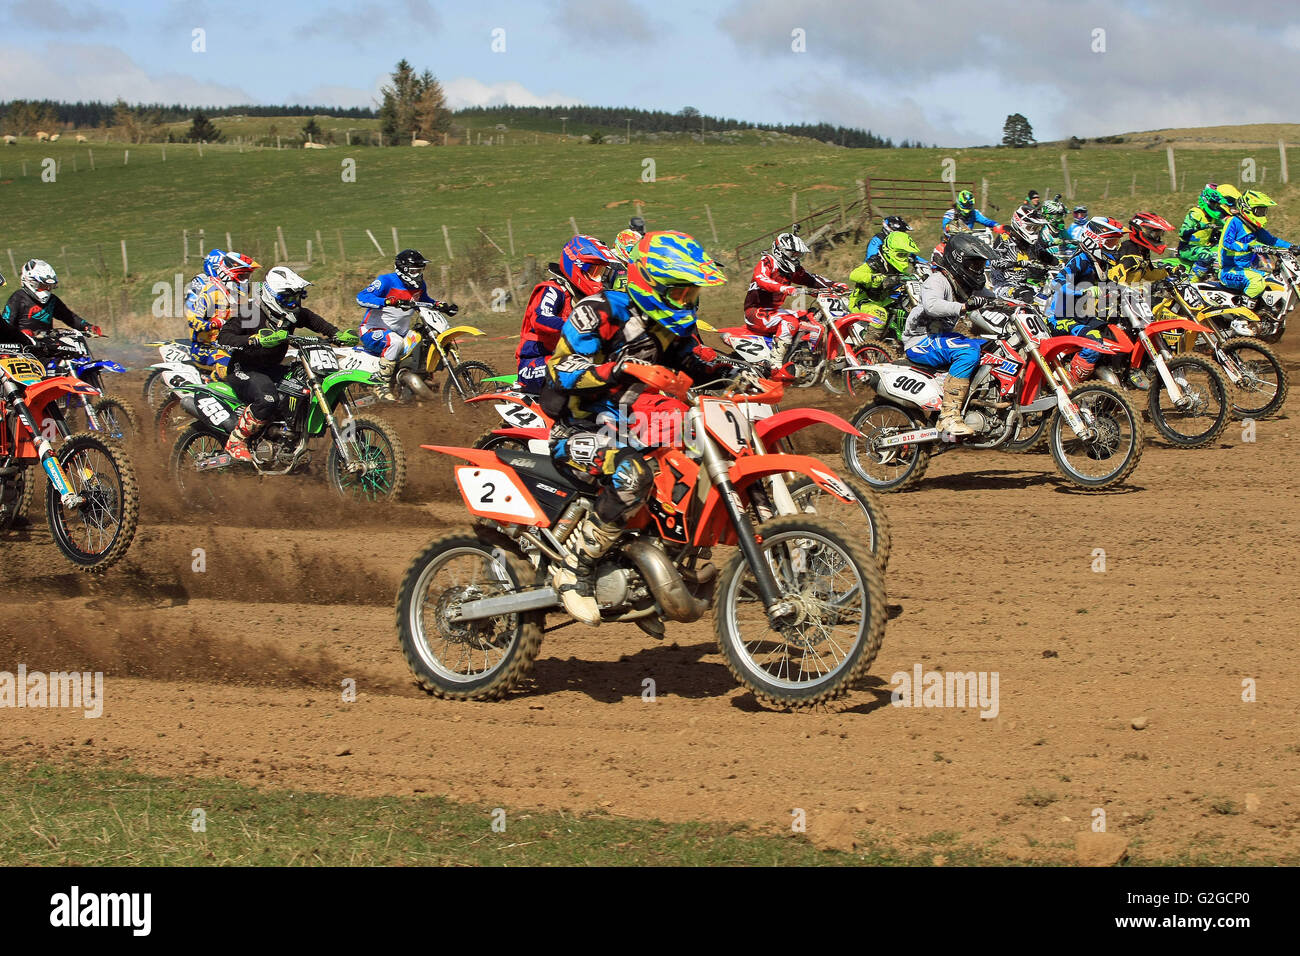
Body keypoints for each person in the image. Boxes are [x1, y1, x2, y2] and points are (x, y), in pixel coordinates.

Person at [541, 230, 738, 624]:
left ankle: (661, 564)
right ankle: (574, 571)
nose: (688, 301)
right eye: (681, 293)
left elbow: (696, 360)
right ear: (653, 284)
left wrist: (745, 368)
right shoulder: (598, 311)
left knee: (695, 458)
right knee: (632, 474)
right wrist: (618, 367)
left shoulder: (667, 325)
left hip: (636, 425)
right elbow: (560, 371)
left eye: (691, 294)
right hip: (578, 427)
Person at [219, 267, 357, 462]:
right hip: (244, 369)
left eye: (297, 297)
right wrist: (254, 340)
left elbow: (314, 321)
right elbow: (223, 337)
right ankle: (236, 440)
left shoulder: (293, 313)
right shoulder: (251, 311)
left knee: (303, 387)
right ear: (271, 295)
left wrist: (336, 334)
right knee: (268, 399)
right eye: (288, 298)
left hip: (273, 369)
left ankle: (286, 438)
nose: (294, 303)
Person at [900, 233, 999, 436]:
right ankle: (949, 416)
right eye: (975, 265)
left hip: (939, 340)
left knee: (992, 347)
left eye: (981, 266)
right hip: (919, 340)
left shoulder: (966, 285)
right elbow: (932, 305)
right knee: (968, 351)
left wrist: (1019, 304)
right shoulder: (938, 280)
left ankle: (980, 405)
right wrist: (963, 307)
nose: (978, 271)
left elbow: (994, 298)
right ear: (958, 260)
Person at [515, 236, 619, 395]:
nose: (599, 278)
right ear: (577, 266)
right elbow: (541, 319)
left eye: (601, 272)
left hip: (570, 360)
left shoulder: (588, 298)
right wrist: (574, 324)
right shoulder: (553, 290)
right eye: (594, 271)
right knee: (579, 378)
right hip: (535, 363)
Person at [356, 249, 457, 402]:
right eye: (414, 270)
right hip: (372, 330)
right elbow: (361, 297)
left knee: (422, 340)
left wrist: (440, 305)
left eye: (420, 270)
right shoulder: (386, 281)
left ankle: (419, 380)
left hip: (401, 332)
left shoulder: (420, 285)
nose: (418, 274)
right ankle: (380, 385)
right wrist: (386, 301)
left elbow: (423, 300)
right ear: (403, 269)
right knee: (394, 342)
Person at [743, 228, 842, 366]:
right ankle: (775, 363)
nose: (796, 257)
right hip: (755, 312)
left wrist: (835, 285)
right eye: (793, 253)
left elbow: (810, 279)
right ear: (780, 250)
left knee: (812, 316)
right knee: (790, 322)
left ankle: (803, 356)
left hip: (773, 311)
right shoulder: (768, 262)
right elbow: (761, 279)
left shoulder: (790, 269)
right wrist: (783, 287)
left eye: (798, 254)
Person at [1045, 216, 1127, 382]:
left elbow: (1110, 286)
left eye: (1116, 243)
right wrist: (1086, 290)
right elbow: (1056, 284)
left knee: (1116, 334)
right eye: (1111, 243)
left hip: (1082, 316)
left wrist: (1129, 292)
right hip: (1060, 317)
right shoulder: (1080, 260)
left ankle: (1107, 383)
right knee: (1093, 342)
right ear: (1094, 241)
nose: (1115, 247)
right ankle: (1071, 386)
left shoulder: (1099, 263)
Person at [183, 249, 260, 379]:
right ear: (229, 274)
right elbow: (193, 321)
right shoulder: (211, 292)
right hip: (205, 347)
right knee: (229, 368)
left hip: (227, 343)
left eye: (247, 277)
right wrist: (213, 323)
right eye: (243, 277)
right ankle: (207, 392)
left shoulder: (234, 295)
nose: (246, 281)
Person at [0, 260, 101, 353]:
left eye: (49, 287)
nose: (46, 290)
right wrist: (23, 334)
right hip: (25, 347)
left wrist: (87, 326)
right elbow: (5, 325)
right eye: (43, 286)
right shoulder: (18, 297)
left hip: (46, 345)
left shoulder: (52, 300)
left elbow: (69, 317)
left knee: (72, 356)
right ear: (31, 282)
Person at [1216, 189, 1290, 306]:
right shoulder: (1234, 221)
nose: (1262, 214)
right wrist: (1249, 247)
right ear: (1247, 209)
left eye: (1263, 211)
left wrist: (1293, 247)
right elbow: (1227, 242)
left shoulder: (1254, 227)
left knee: (1274, 281)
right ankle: (1240, 315)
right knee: (1257, 282)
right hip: (1228, 270)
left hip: (1246, 270)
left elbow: (1272, 240)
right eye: (1259, 211)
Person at [988, 205, 1057, 300]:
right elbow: (994, 262)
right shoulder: (1004, 239)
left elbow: (1043, 254)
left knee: (1051, 294)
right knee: (1027, 297)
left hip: (1027, 282)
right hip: (1004, 285)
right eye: (1030, 228)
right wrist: (1019, 263)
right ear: (1019, 224)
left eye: (1035, 228)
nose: (1033, 231)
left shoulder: (1031, 243)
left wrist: (1058, 263)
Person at [848, 230, 920, 313]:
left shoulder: (894, 267)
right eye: (900, 255)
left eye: (905, 255)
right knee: (881, 315)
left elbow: (904, 278)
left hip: (882, 302)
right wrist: (873, 277)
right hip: (861, 301)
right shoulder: (875, 262)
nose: (904, 259)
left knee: (903, 310)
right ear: (888, 251)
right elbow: (853, 275)